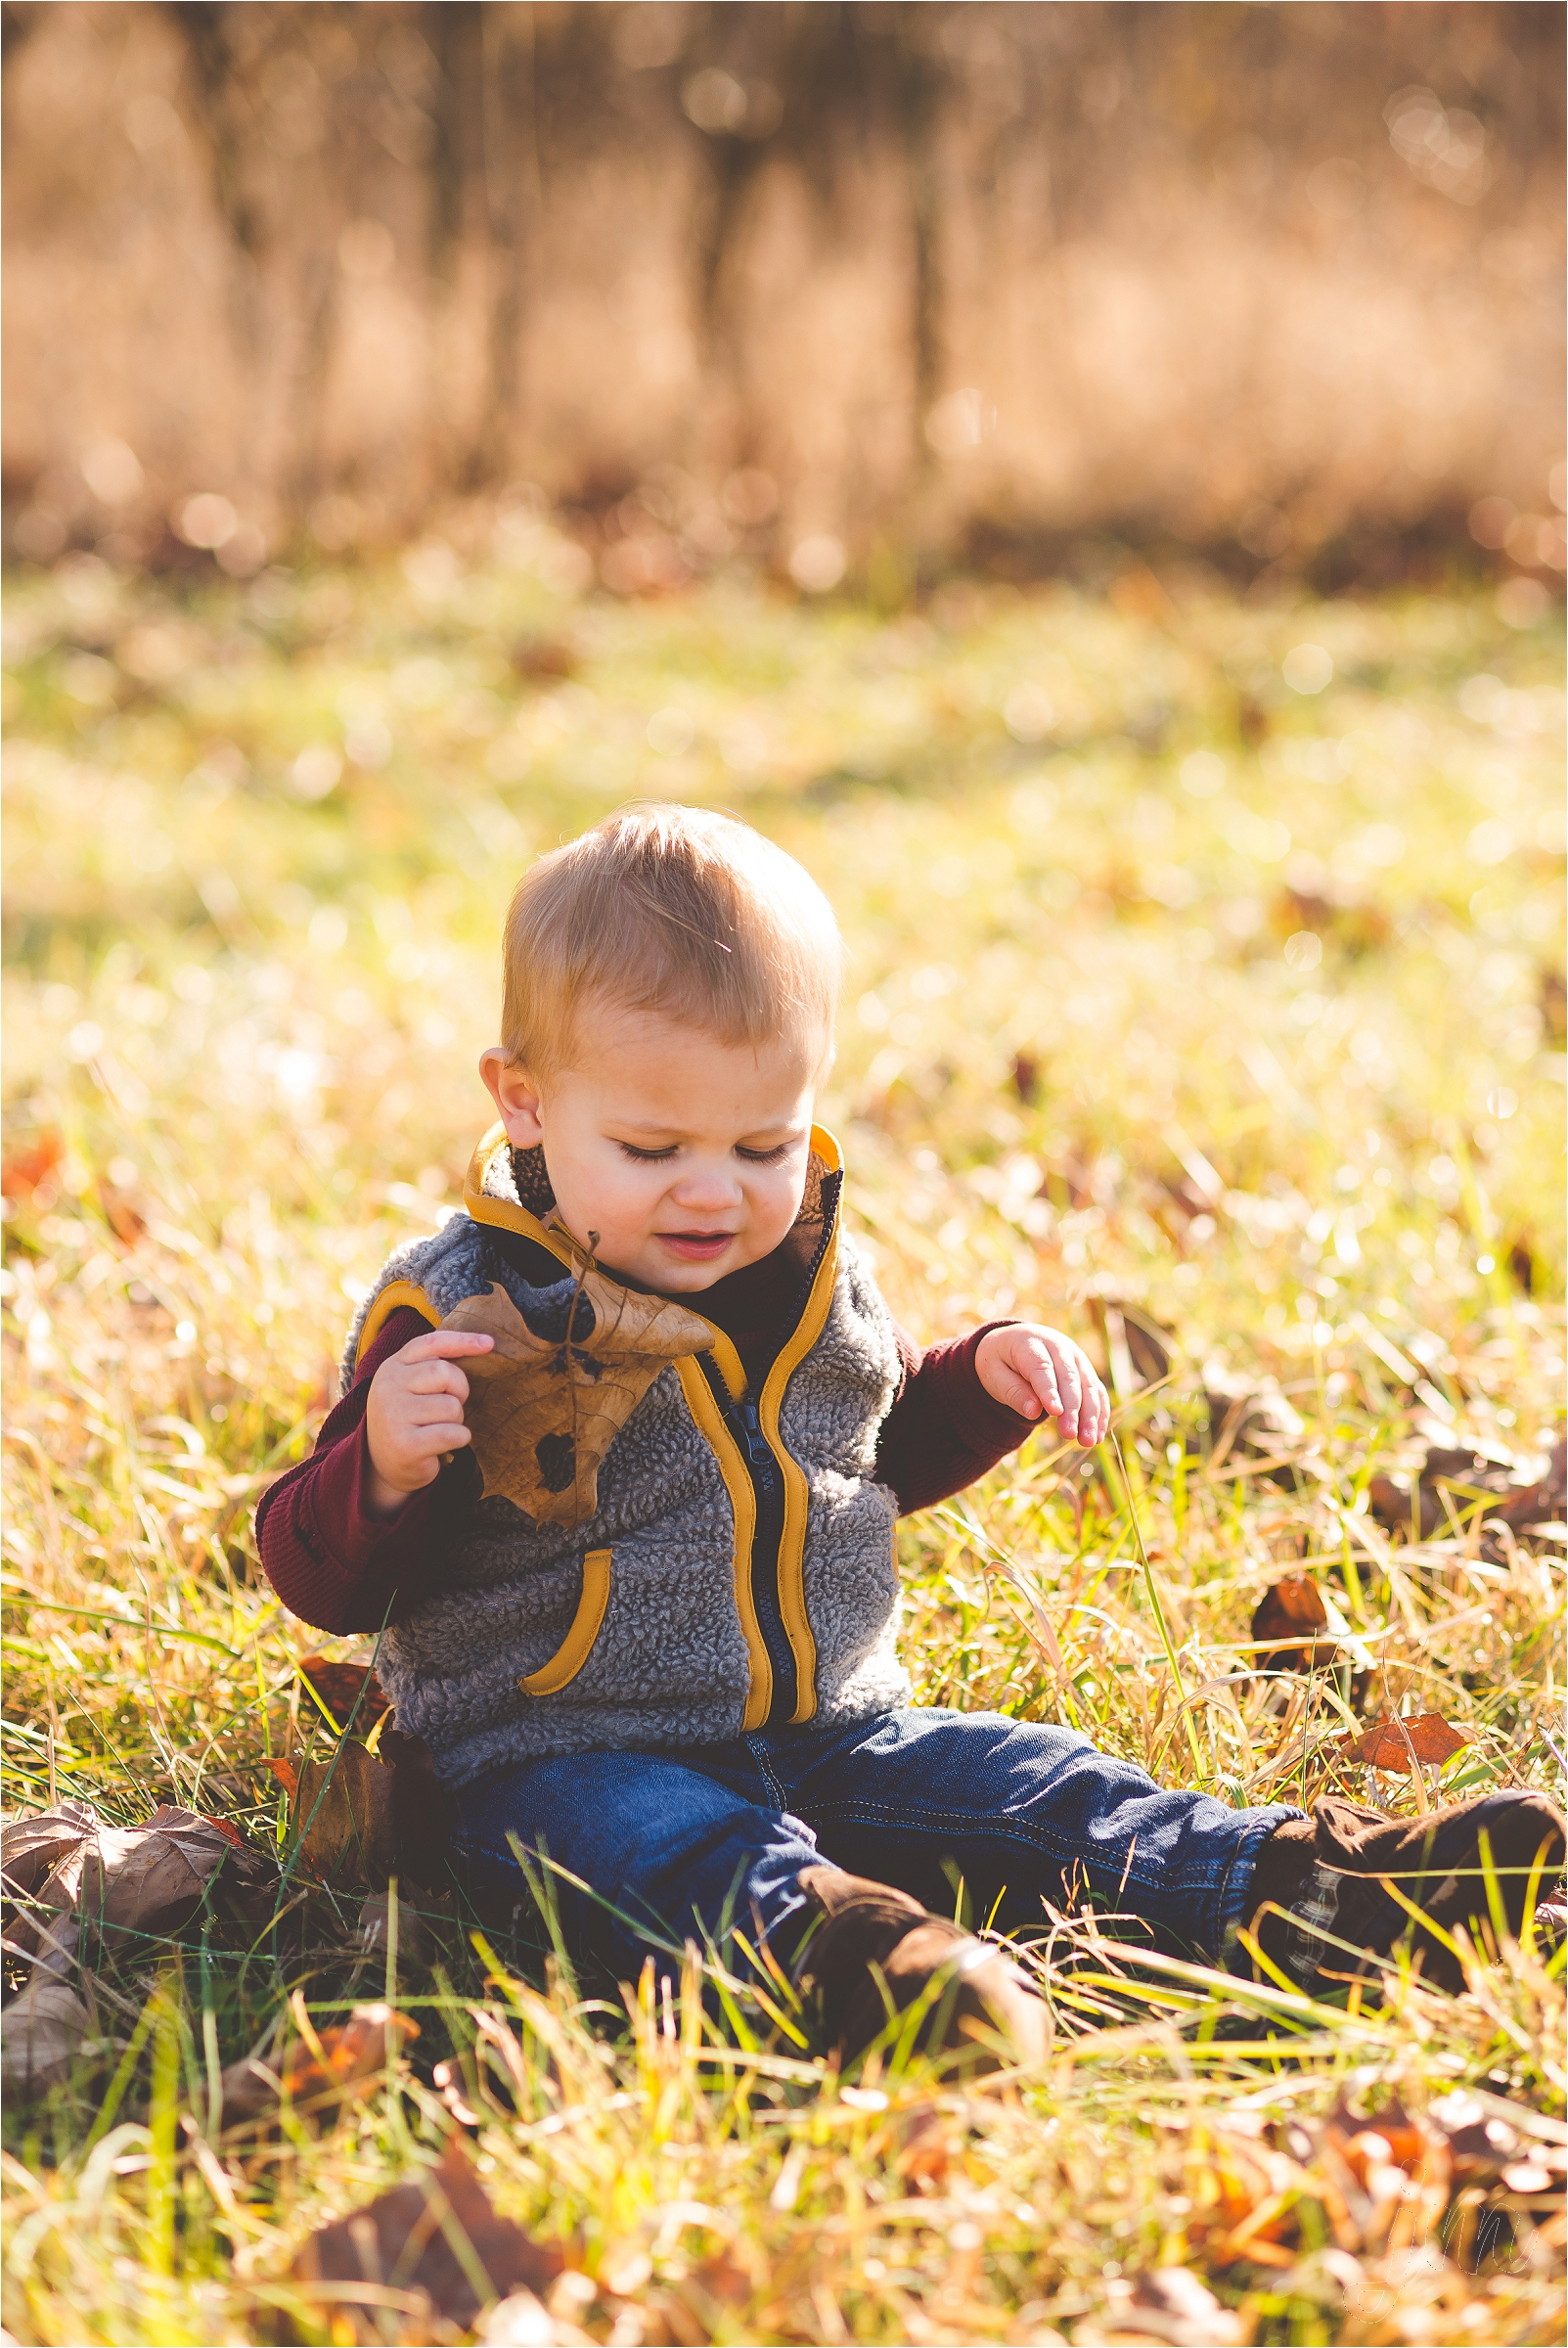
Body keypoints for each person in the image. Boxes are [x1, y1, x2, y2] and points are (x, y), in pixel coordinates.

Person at [257, 805, 1563, 2060]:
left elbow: (850, 1469)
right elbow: (317, 1574)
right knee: (653, 1852)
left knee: (1031, 1785)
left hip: (822, 1726)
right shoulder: (464, 1314)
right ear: (526, 1102)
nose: (715, 1190)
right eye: (653, 1148)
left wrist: (972, 1388)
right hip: (551, 1761)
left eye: (762, 1141)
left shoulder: (807, 1278)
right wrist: (375, 1467)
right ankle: (851, 1966)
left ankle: (1308, 1886)